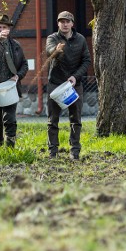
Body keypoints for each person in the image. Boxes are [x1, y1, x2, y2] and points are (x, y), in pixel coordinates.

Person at [45, 11, 91, 160]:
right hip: (56, 84)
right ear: (58, 23)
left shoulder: (81, 40)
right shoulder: (52, 38)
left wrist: (76, 77)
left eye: (67, 21)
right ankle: (53, 152)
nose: (65, 24)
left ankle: (75, 151)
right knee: (53, 121)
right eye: (62, 21)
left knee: (76, 120)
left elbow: (86, 61)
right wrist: (56, 50)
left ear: (72, 24)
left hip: (74, 85)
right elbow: (49, 52)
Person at [0, 14, 29, 148]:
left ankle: (10, 148)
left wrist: (18, 76)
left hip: (9, 88)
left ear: (9, 29)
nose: (0, 29)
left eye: (3, 27)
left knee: (10, 119)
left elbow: (24, 64)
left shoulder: (15, 45)